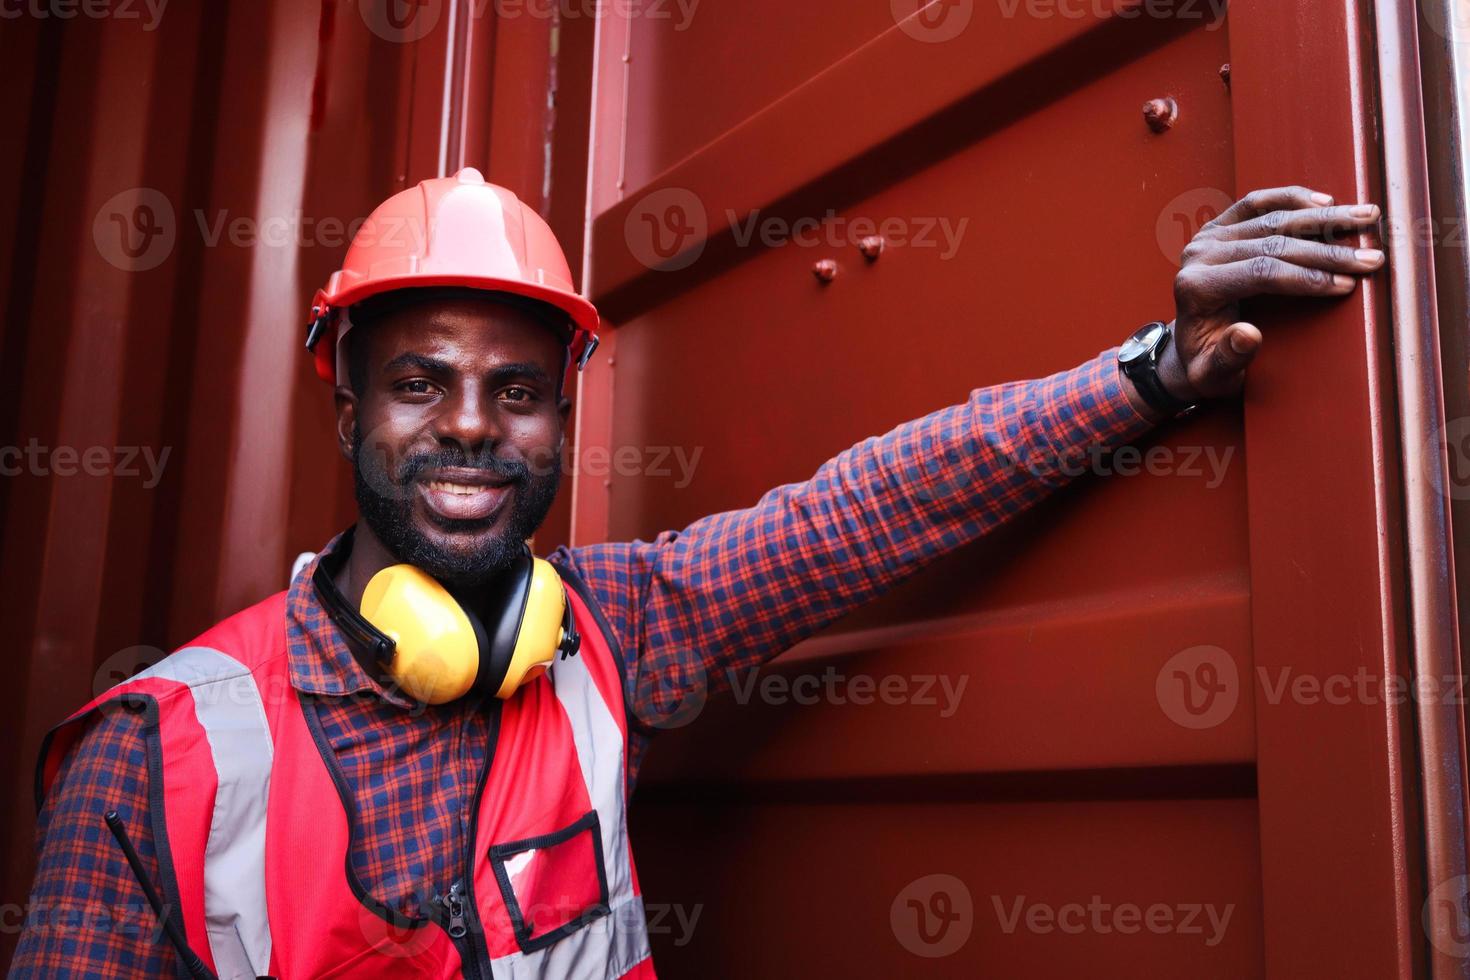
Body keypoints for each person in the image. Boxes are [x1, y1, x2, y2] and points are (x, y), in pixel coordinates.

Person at [11, 170, 1383, 978]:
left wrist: (1154, 370)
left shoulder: (612, 632)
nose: (475, 426)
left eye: (519, 390)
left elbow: (874, 503)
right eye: (419, 384)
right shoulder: (157, 754)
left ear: (563, 418)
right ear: (345, 414)